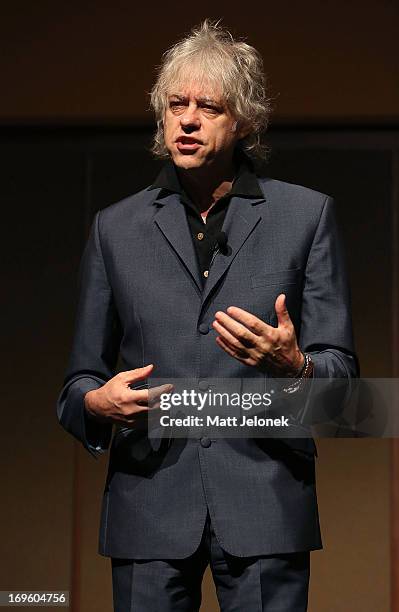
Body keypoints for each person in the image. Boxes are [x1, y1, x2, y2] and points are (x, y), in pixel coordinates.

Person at [57, 20, 358, 612]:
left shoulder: (305, 217)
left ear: (242, 121)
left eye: (208, 106)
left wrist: (294, 368)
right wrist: (96, 404)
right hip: (148, 507)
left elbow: (345, 390)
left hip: (266, 506)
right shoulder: (115, 229)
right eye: (176, 105)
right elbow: (76, 386)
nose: (187, 119)